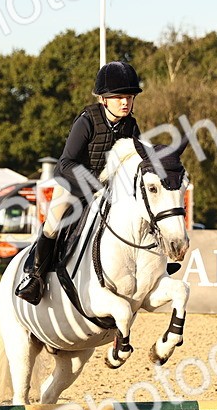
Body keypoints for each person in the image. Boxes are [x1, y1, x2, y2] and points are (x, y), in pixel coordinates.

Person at [15, 61, 142, 304]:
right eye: (119, 97)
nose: (125, 102)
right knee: (53, 225)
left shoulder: (130, 125)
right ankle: (35, 277)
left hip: (108, 191)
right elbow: (64, 164)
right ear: (104, 99)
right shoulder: (87, 120)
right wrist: (95, 184)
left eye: (129, 97)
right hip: (73, 184)